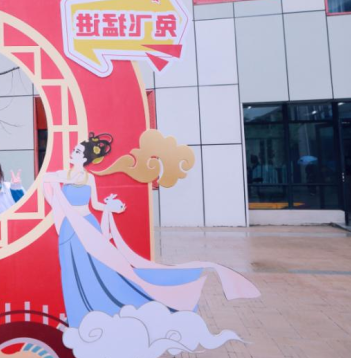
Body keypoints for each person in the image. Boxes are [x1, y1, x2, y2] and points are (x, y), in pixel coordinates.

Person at [44, 132, 259, 328]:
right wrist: (58, 185)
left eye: (77, 151)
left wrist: (110, 206)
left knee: (98, 269)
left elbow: (96, 204)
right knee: (71, 269)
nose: (73, 153)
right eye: (74, 150)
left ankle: (96, 310)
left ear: (85, 157)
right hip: (70, 229)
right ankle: (76, 316)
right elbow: (47, 181)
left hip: (88, 226)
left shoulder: (88, 178)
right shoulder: (63, 175)